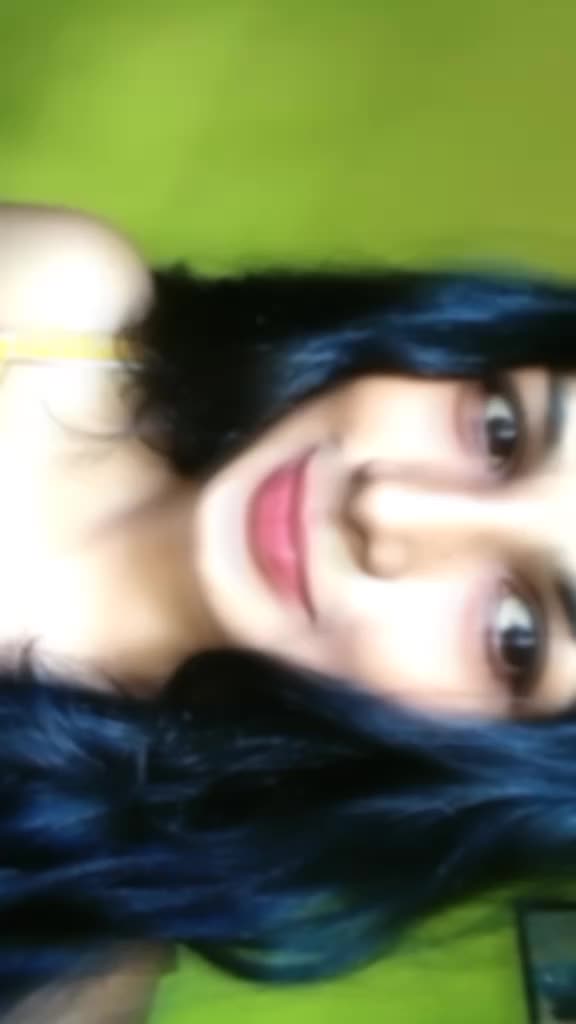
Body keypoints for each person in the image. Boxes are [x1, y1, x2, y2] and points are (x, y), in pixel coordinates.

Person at [2, 201, 576, 1020]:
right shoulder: (55, 298)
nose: (388, 507)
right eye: (499, 430)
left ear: (480, 762)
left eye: (515, 634)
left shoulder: (65, 965)